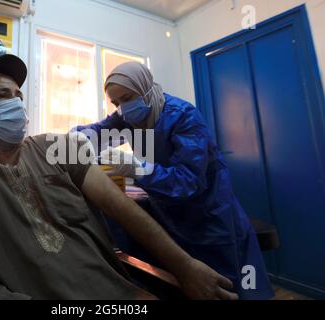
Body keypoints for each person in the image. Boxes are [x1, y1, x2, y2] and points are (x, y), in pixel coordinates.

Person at [0, 54, 238, 300]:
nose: (16, 104)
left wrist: (183, 265)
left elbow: (122, 210)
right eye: (2, 96)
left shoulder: (56, 147)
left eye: (19, 97)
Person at [75, 61, 274, 300]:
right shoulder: (128, 116)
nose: (123, 108)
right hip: (168, 211)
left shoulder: (183, 116)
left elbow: (187, 181)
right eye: (116, 103)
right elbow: (98, 131)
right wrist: (75, 139)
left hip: (207, 214)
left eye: (127, 98)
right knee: (181, 281)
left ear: (146, 89)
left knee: (221, 285)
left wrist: (136, 168)